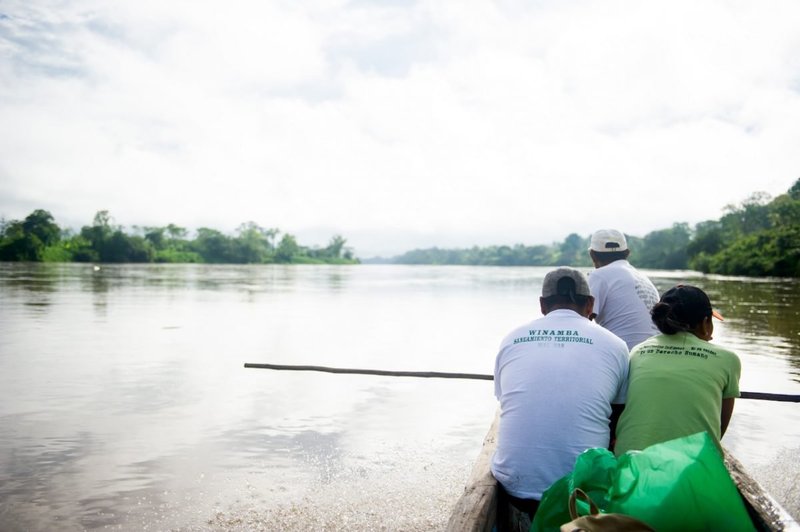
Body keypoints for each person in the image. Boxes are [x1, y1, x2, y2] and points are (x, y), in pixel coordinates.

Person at [491, 267, 629, 528]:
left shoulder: (511, 338)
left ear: (543, 305)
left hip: (516, 489)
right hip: (580, 491)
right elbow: (617, 416)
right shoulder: (615, 344)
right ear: (589, 304)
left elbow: (504, 399)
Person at [614, 284, 741, 456]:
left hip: (630, 463)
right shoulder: (727, 359)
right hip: (689, 468)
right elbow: (718, 431)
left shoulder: (637, 351)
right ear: (705, 323)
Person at [587, 229, 660, 350]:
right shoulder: (643, 278)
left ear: (592, 255)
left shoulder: (599, 275)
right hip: (653, 354)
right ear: (627, 253)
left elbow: (580, 322)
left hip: (626, 355)